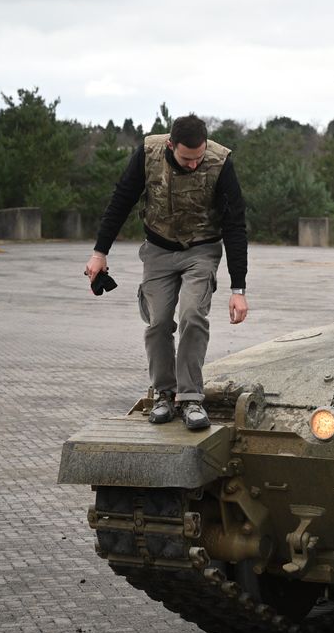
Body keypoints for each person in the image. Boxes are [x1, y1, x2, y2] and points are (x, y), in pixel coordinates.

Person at [83, 114, 248, 430]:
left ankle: (190, 398)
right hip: (158, 251)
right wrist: (99, 252)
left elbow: (235, 223)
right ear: (171, 145)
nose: (193, 165)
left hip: (201, 249)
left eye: (198, 158)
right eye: (186, 159)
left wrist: (238, 288)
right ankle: (164, 394)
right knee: (158, 323)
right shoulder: (148, 153)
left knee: (192, 315)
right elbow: (121, 200)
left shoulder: (220, 161)